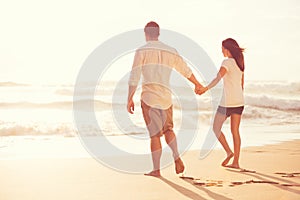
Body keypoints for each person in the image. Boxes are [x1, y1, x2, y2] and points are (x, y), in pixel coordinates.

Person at [127, 21, 204, 177]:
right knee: (168, 130)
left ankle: (156, 170)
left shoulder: (142, 50)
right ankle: (176, 155)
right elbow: (185, 70)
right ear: (159, 33)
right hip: (166, 99)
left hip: (149, 98)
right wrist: (197, 84)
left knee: (155, 135)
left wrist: (129, 97)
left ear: (146, 33)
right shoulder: (171, 51)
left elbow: (134, 76)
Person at [197, 38, 245, 169]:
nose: (221, 50)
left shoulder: (227, 62)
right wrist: (239, 96)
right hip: (239, 101)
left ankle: (229, 152)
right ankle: (236, 162)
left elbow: (217, 78)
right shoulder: (240, 63)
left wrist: (205, 89)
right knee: (235, 131)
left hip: (227, 102)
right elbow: (242, 84)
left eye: (222, 48)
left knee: (216, 128)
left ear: (227, 49)